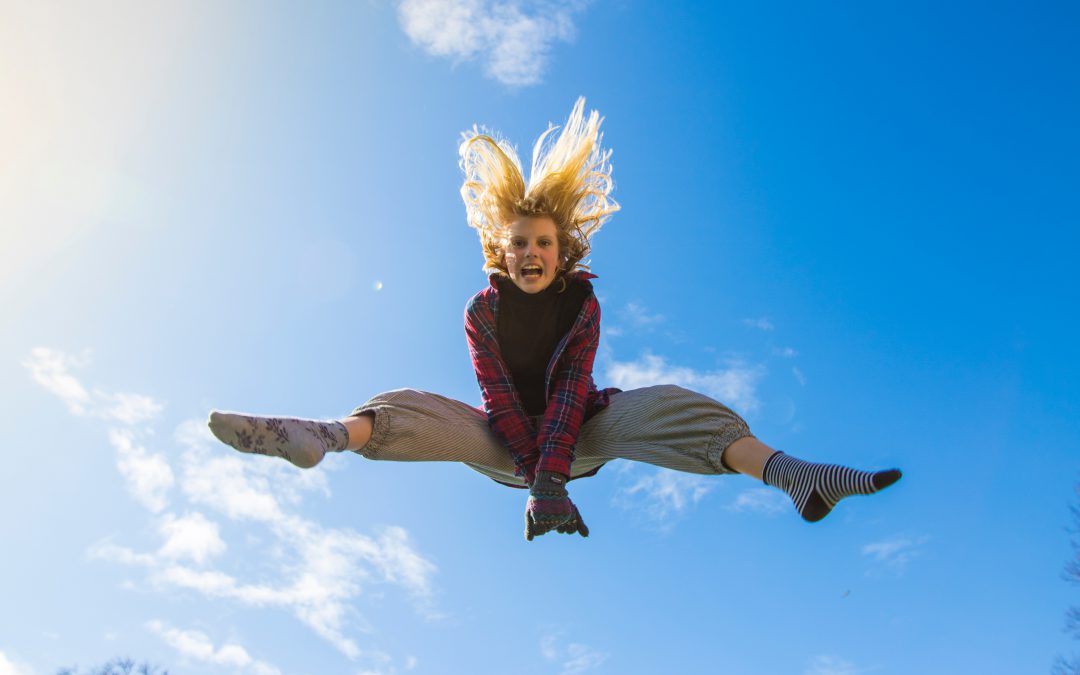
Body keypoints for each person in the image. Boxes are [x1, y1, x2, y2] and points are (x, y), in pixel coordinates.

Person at [208, 98, 901, 541]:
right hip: (505, 444)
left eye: (544, 243)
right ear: (499, 252)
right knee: (417, 406)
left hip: (580, 441)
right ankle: (323, 434)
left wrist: (554, 482)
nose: (532, 252)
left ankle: (793, 475)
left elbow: (571, 393)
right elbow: (499, 399)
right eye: (520, 244)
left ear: (561, 250)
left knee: (663, 404)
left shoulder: (581, 305)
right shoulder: (482, 312)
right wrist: (533, 475)